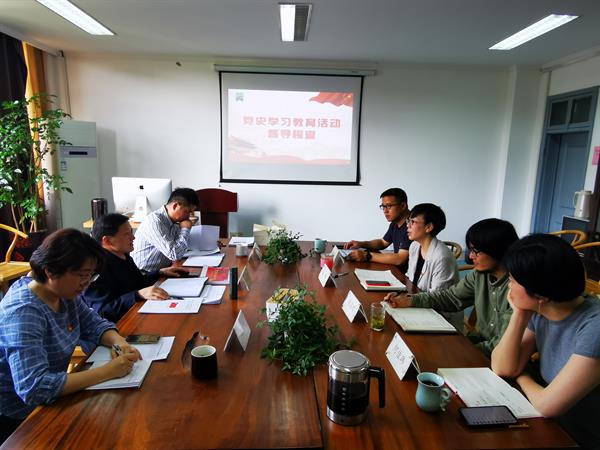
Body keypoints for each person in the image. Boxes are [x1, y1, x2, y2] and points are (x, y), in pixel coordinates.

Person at [0, 229, 141, 444]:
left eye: (91, 275)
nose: (87, 282)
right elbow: (34, 388)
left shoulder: (63, 292)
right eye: (82, 275)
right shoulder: (24, 311)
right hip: (20, 418)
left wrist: (120, 343)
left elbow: (94, 323)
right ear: (50, 271)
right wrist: (109, 371)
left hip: (55, 399)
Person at [491, 234, 600, 449]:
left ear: (541, 295)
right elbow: (503, 367)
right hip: (551, 426)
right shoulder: (541, 310)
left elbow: (546, 405)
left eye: (513, 281)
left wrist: (522, 376)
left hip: (580, 437)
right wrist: (519, 315)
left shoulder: (594, 327)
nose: (509, 287)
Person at [385, 218, 518, 356]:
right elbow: (451, 297)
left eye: (476, 251)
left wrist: (458, 351)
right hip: (478, 344)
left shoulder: (518, 289)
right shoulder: (479, 275)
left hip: (499, 357)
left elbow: (500, 347)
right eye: (470, 249)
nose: (471, 256)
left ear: (498, 250)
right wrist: (410, 300)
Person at [84, 213, 190, 323]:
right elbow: (102, 312)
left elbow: (137, 283)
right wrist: (137, 295)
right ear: (107, 241)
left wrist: (159, 273)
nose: (133, 237)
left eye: (131, 231)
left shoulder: (122, 254)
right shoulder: (93, 268)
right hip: (120, 325)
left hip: (137, 313)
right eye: (127, 234)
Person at [132, 187, 200, 272]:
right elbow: (174, 254)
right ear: (175, 206)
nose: (188, 216)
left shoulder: (174, 221)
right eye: (187, 211)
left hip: (163, 271)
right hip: (144, 274)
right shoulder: (155, 222)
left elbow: (180, 247)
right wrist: (185, 229)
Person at [344, 188, 411, 270]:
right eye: (383, 206)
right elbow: (383, 242)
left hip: (407, 276)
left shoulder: (412, 225)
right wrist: (360, 244)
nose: (385, 211)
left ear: (403, 206)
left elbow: (400, 259)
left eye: (389, 206)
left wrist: (367, 256)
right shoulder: (395, 223)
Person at [405, 203, 458, 292]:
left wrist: (407, 299)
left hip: (431, 301)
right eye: (408, 221)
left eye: (413, 222)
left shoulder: (442, 257)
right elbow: (409, 278)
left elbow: (437, 297)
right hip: (414, 296)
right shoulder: (414, 246)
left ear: (429, 227)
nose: (408, 225)